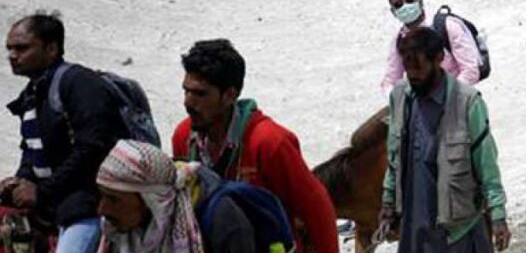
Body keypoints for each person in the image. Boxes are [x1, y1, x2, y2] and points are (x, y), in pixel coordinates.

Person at [170, 40, 338, 253]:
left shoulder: (270, 143)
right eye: (186, 91)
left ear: (230, 95)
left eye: (200, 94)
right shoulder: (183, 137)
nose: (188, 102)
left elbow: (317, 208)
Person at [3, 13, 127, 253]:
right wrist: (19, 182)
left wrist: (42, 190)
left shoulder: (79, 83)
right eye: (9, 49)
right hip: (56, 205)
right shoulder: (34, 92)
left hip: (88, 207)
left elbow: (93, 148)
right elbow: (33, 150)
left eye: (22, 48)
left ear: (51, 49)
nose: (12, 56)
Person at [379, 27, 510, 252]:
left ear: (439, 58)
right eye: (408, 69)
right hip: (415, 228)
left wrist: (498, 216)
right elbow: (394, 158)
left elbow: (487, 164)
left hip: (459, 230)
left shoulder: (467, 102)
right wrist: (388, 202)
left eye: (419, 67)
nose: (413, 76)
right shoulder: (401, 97)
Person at [96, 140, 255, 253]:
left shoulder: (222, 220)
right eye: (101, 196)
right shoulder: (116, 232)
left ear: (151, 199)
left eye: (114, 200)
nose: (102, 209)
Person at [382, 0, 481, 97]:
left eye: (410, 0)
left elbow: (470, 70)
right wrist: (396, 100)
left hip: (457, 101)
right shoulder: (399, 40)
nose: (405, 6)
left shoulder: (447, 26)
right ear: (393, 12)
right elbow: (390, 79)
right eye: (399, 4)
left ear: (420, 1)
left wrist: (447, 96)